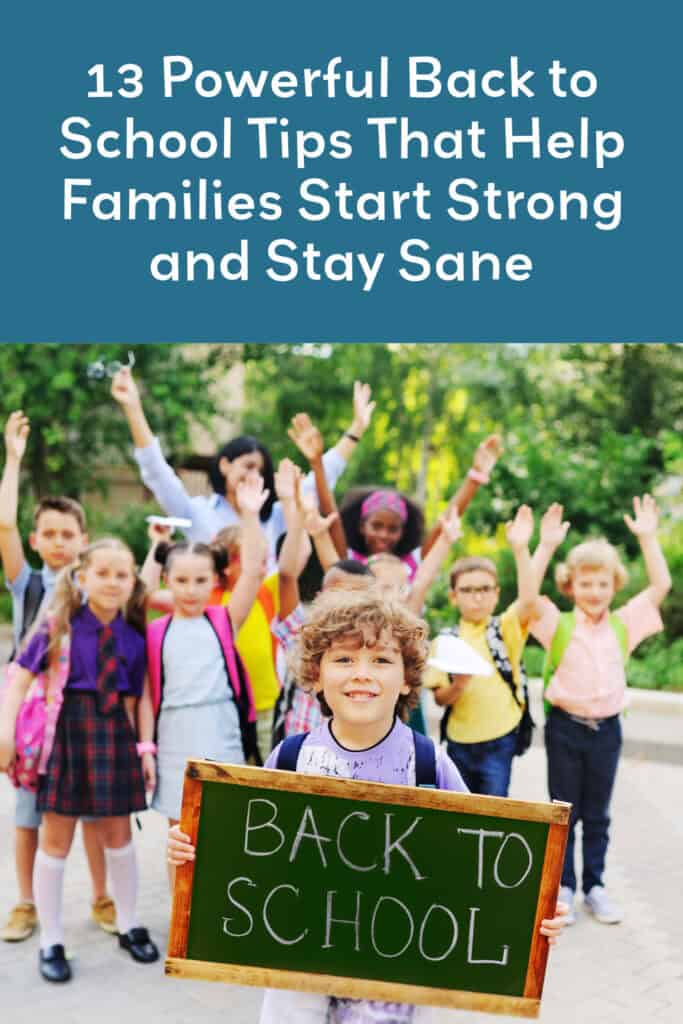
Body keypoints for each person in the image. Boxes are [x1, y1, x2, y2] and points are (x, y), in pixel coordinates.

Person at [168, 589, 568, 1024]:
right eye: (343, 659)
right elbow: (246, 856)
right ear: (315, 675)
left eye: (380, 660)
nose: (362, 674)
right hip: (295, 974)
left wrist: (532, 913)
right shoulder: (290, 759)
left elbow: (479, 869)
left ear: (408, 679)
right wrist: (195, 851)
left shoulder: (429, 764)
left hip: (395, 979)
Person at [0, 538, 158, 983]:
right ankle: (51, 940)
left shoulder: (133, 636)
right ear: (82, 577)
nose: (112, 582)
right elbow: (19, 679)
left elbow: (138, 699)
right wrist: (5, 732)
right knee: (55, 840)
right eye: (102, 573)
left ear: (133, 582)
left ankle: (128, 924)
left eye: (122, 574)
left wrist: (145, 748)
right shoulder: (58, 627)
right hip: (67, 736)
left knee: (119, 837)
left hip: (115, 737)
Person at [529, 497, 671, 926]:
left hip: (607, 731)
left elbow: (661, 586)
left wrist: (648, 538)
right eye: (585, 583)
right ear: (570, 586)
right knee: (564, 812)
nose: (594, 591)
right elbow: (527, 596)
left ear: (615, 585)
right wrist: (545, 546)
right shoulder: (557, 623)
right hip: (564, 728)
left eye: (603, 583)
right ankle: (564, 888)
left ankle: (595, 886)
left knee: (597, 815)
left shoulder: (624, 623)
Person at [0, 411, 113, 942]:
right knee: (28, 816)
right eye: (49, 533)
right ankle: (25, 903)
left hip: (81, 714)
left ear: (83, 539)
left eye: (68, 534)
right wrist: (13, 459)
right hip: (31, 720)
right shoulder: (27, 584)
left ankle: (103, 896)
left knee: (93, 815)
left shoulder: (96, 589)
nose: (59, 541)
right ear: (35, 539)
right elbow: (3, 526)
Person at [111, 367, 374, 567]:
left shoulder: (274, 516)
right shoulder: (196, 512)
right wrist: (133, 407)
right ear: (225, 465)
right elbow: (157, 472)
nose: (253, 476)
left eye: (260, 471)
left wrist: (357, 429)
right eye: (248, 466)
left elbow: (321, 477)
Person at [137, 476, 269, 855]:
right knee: (179, 839)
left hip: (221, 734)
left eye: (200, 580)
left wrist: (249, 516)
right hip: (172, 739)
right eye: (180, 580)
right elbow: (140, 595)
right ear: (167, 580)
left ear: (214, 580)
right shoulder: (155, 631)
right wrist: (158, 545)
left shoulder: (224, 619)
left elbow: (253, 570)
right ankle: (181, 899)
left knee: (225, 833)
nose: (191, 589)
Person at [423, 506, 540, 798]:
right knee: (459, 809)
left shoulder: (505, 628)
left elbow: (528, 601)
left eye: (485, 589)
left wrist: (521, 549)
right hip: (459, 741)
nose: (477, 597)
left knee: (494, 810)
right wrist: (458, 686)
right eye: (468, 590)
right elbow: (439, 698)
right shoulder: (446, 641)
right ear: (454, 596)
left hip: (500, 738)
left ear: (497, 594)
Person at [339, 434, 502, 581]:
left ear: (403, 531)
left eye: (393, 529)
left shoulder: (412, 563)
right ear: (362, 526)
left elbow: (443, 525)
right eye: (376, 526)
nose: (384, 535)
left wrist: (475, 477)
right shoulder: (348, 559)